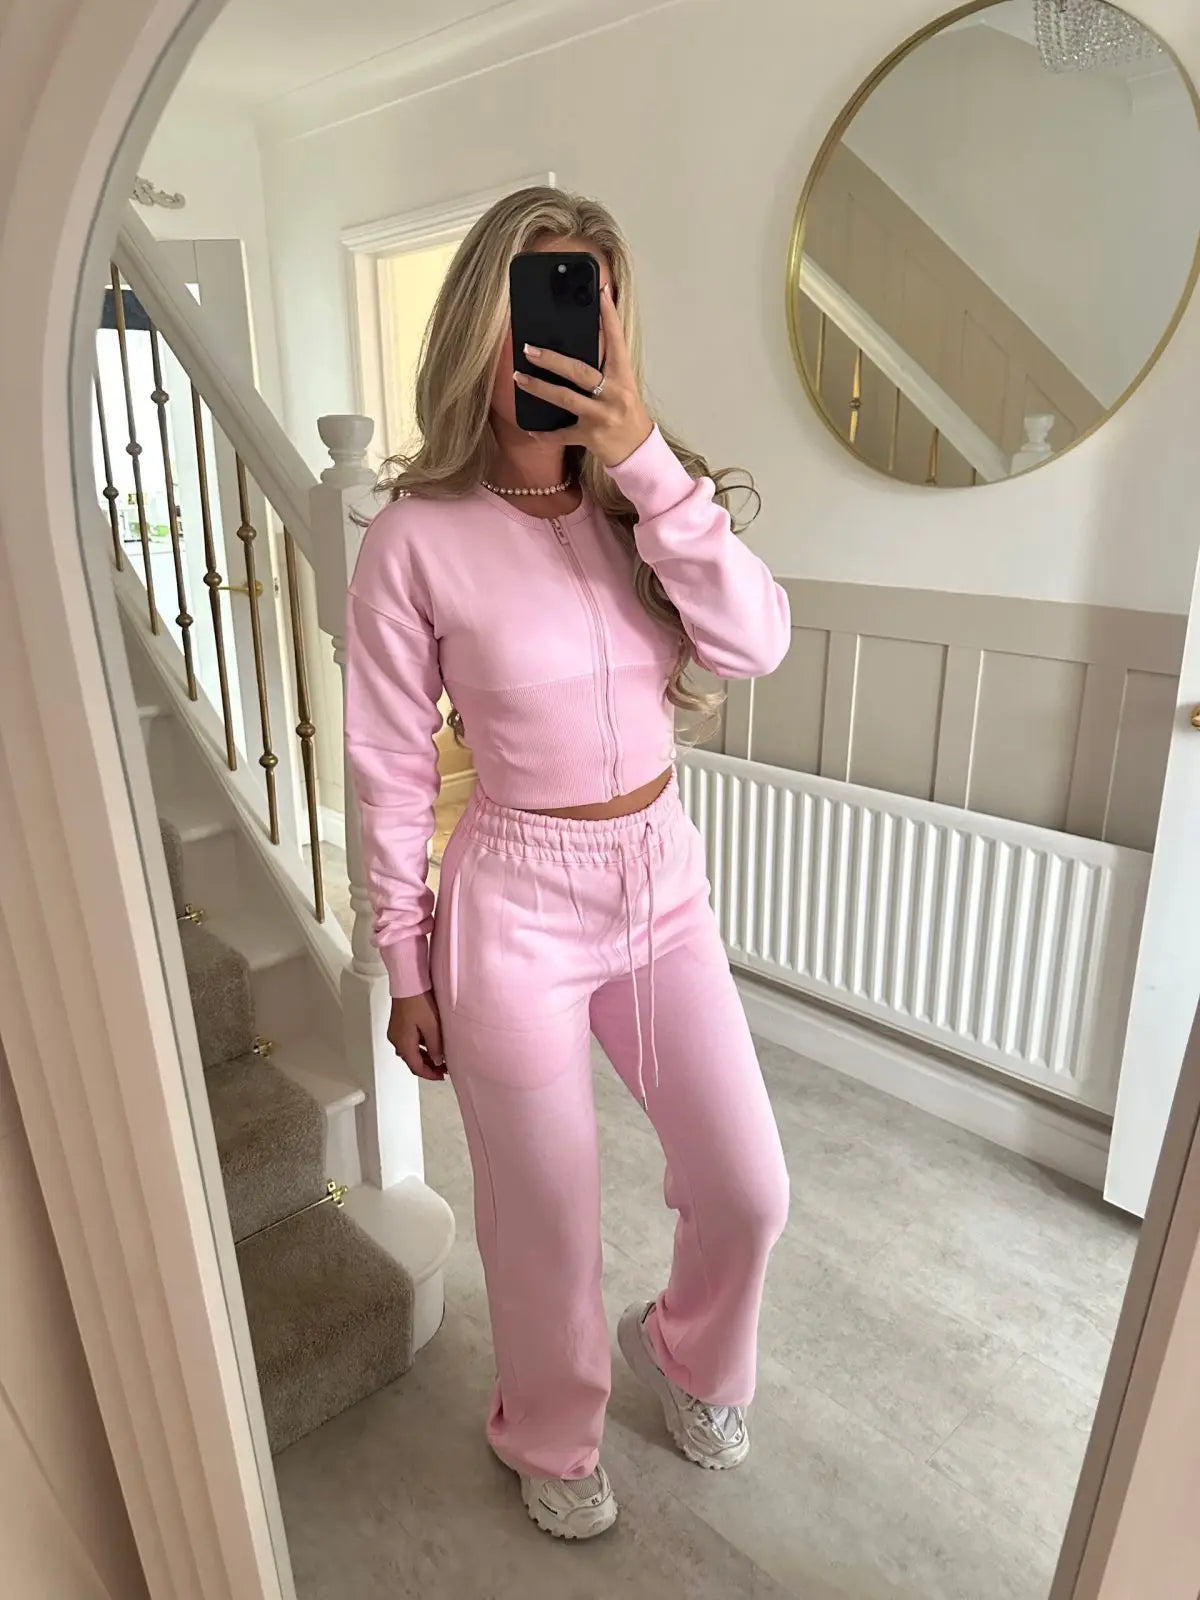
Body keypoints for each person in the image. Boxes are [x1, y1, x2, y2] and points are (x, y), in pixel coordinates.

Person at [345, 187, 791, 1541]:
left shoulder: (647, 500)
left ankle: (690, 1350)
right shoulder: (414, 537)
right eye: (529, 309)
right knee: (545, 1215)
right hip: (516, 907)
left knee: (749, 1185)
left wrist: (645, 462)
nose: (552, 344)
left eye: (583, 311)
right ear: (477, 328)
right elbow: (389, 766)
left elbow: (754, 642)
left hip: (661, 886)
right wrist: (405, 960)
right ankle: (548, 1427)